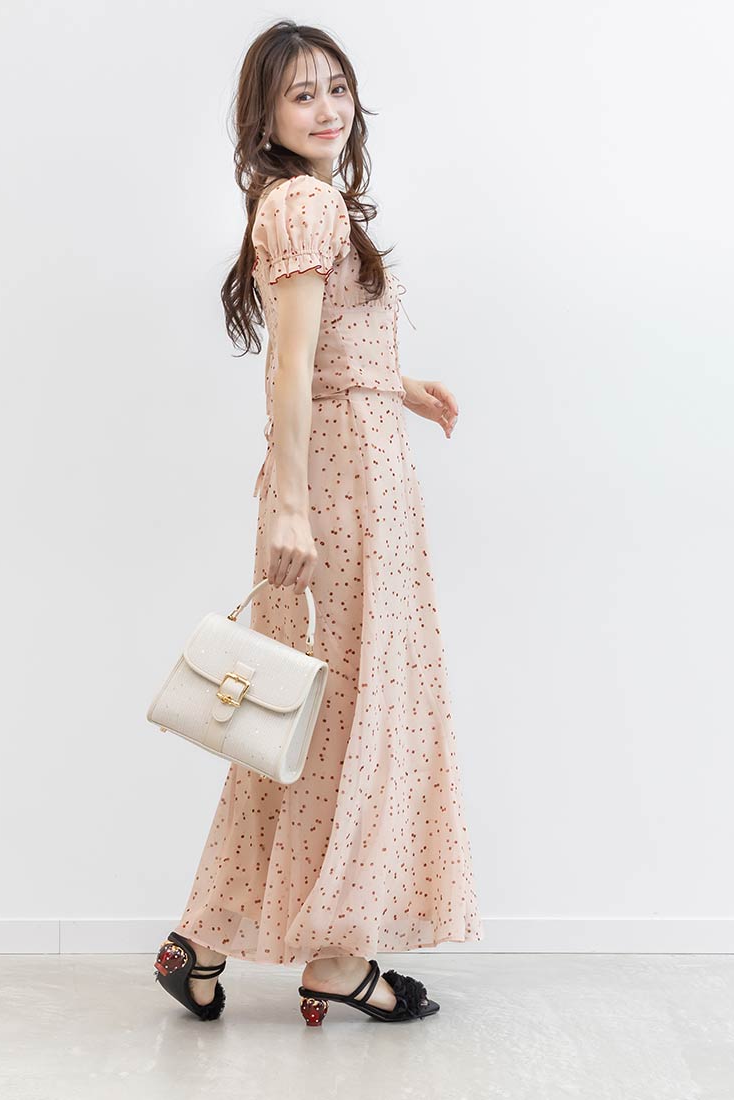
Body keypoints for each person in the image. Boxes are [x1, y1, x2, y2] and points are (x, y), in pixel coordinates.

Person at [154, 20, 483, 1026]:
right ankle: (324, 956)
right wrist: (292, 506)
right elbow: (289, 365)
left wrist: (397, 383)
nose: (327, 108)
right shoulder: (305, 201)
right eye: (301, 94)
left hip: (356, 465)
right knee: (341, 708)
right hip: (341, 487)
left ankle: (224, 942)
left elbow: (325, 347)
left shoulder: (305, 200)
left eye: (336, 87)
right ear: (265, 118)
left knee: (321, 712)